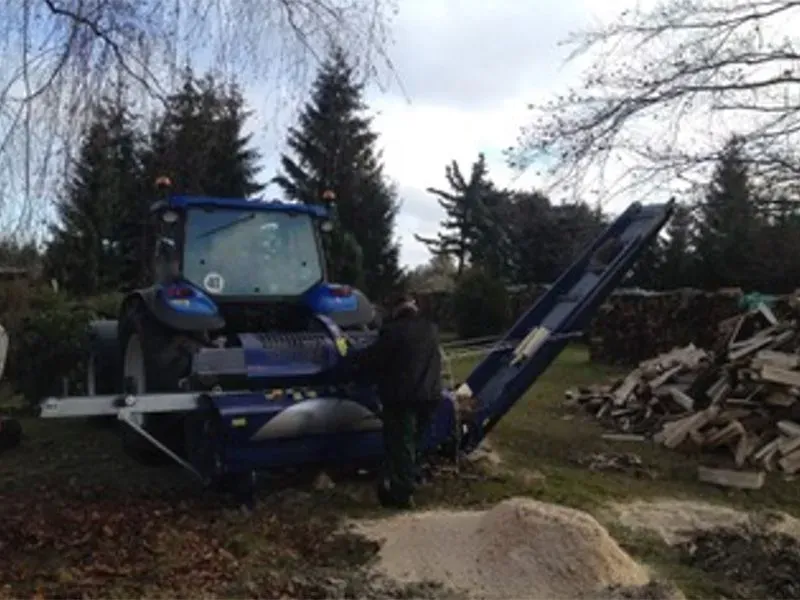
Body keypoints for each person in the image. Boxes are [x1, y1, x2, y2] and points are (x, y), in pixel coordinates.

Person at [349, 292, 442, 509]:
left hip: (403, 398)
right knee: (415, 443)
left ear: (395, 310)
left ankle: (402, 494)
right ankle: (411, 480)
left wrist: (349, 356)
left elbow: (373, 359)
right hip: (430, 396)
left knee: (401, 445)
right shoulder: (431, 329)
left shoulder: (393, 332)